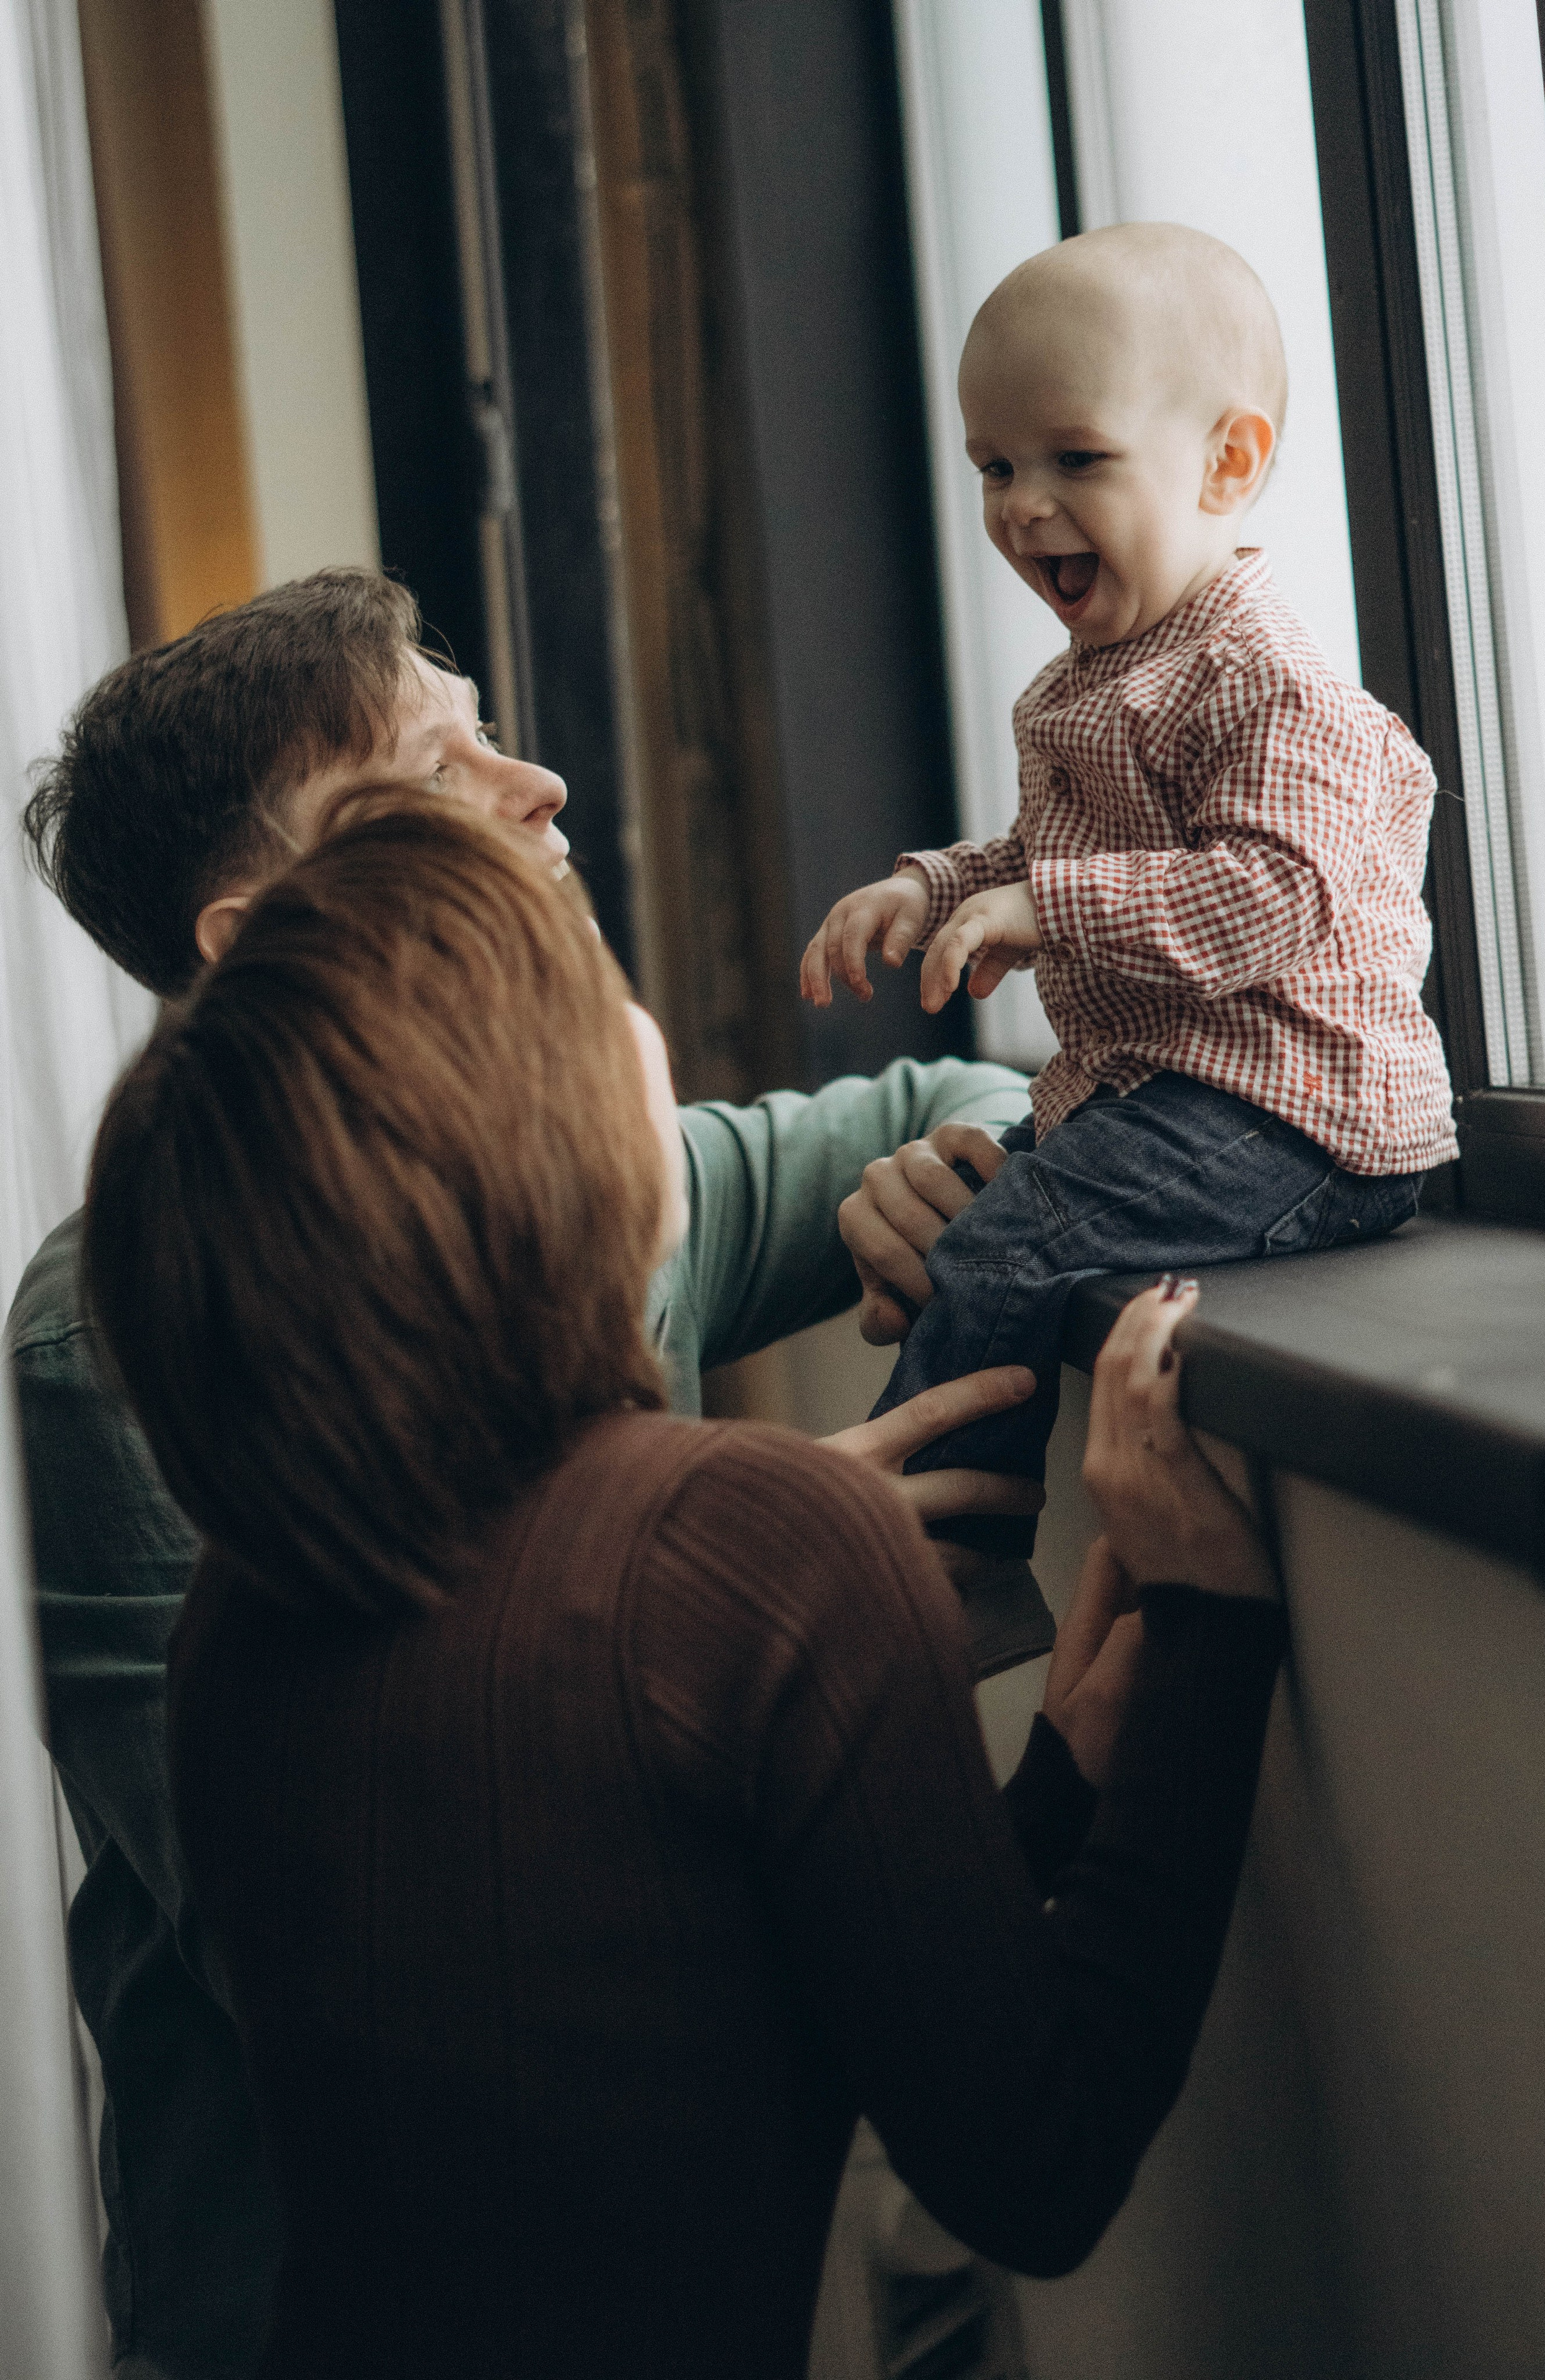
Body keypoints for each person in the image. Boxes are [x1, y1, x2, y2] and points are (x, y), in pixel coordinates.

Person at [83, 793, 1287, 2380]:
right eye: (603, 998)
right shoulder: (757, 1544)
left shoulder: (250, 1612)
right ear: (546, 1132)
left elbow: (677, 2024)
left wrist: (1059, 1788)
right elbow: (1034, 2166)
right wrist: (1209, 1624)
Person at [6, 568, 1037, 2380]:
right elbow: (341, 1962)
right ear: (267, 940)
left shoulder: (592, 1187)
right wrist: (748, 1614)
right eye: (438, 771)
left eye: (491, 727)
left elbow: (992, 1101)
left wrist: (932, 1187)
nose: (542, 786)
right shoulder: (111, 1352)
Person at [801, 224, 1456, 1562]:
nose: (1019, 505)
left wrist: (1047, 914)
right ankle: (926, 1473)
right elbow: (1046, 854)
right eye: (992, 465)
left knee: (1001, 1247)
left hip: (1294, 1110)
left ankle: (939, 1563)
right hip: (1172, 1099)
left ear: (1227, 463)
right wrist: (931, 887)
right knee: (974, 1237)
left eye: (1074, 459)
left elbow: (1273, 892)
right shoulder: (1087, 679)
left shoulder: (1266, 678)